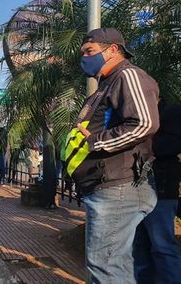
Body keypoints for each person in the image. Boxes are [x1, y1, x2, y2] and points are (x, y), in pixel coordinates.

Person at [63, 28, 159, 283]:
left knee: (105, 267)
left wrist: (95, 142)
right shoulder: (107, 84)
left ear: (113, 50)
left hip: (118, 187)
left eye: (89, 51)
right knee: (114, 265)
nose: (83, 57)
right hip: (107, 186)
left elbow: (144, 124)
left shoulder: (128, 76)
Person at [132, 98, 181, 283]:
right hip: (136, 190)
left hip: (160, 190)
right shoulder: (135, 116)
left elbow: (172, 145)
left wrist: (143, 144)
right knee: (140, 246)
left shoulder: (171, 112)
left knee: (162, 247)